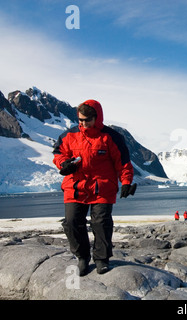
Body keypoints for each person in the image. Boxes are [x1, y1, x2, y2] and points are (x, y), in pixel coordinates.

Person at [53, 99, 134, 276]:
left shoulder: (111, 137)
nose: (83, 123)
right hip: (75, 186)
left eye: (87, 120)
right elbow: (59, 154)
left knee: (101, 222)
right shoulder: (69, 136)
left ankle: (102, 258)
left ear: (97, 118)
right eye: (80, 120)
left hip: (102, 187)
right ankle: (82, 256)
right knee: (72, 221)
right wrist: (64, 164)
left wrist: (126, 182)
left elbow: (123, 163)